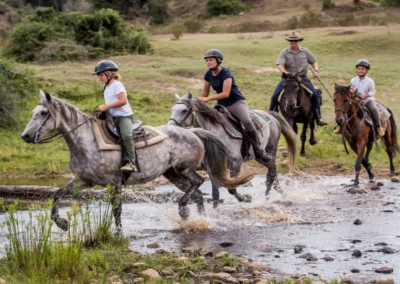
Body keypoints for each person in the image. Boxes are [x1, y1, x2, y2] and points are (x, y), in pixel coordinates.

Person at [198, 49, 271, 163]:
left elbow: (225, 93)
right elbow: (205, 93)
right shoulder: (208, 75)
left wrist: (208, 99)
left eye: (211, 60)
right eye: (207, 60)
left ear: (219, 61)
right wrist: (199, 102)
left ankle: (258, 151)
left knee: (246, 121)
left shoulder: (226, 74)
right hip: (222, 105)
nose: (208, 62)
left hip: (236, 103)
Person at [269, 31, 327, 126]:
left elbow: (314, 61)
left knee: (315, 94)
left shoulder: (305, 51)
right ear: (289, 42)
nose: (293, 43)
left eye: (295, 41)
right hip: (288, 79)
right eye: (291, 41)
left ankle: (318, 117)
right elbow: (280, 65)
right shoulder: (284, 52)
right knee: (275, 96)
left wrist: (316, 71)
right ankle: (271, 117)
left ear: (298, 41)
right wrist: (286, 73)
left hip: (302, 78)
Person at [93, 60, 137, 172]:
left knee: (126, 136)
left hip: (123, 116)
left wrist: (105, 107)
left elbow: (123, 101)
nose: (99, 78)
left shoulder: (117, 85)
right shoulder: (106, 87)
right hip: (112, 117)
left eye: (101, 75)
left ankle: (131, 163)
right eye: (98, 76)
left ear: (109, 74)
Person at [333, 59, 385, 137]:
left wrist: (365, 95)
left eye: (363, 69)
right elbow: (351, 89)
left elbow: (372, 91)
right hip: (356, 100)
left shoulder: (370, 81)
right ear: (356, 70)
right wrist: (352, 91)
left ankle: (378, 126)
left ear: (367, 70)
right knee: (345, 108)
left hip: (368, 100)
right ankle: (340, 126)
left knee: (373, 108)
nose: (360, 71)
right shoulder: (353, 80)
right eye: (359, 69)